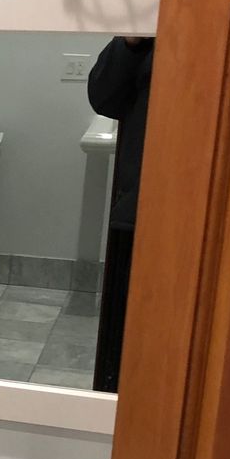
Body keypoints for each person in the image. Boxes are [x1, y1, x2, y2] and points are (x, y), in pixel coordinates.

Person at [87, 35, 155, 392]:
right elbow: (104, 99)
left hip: (183, 208)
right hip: (138, 210)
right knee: (128, 338)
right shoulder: (142, 41)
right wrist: (130, 42)